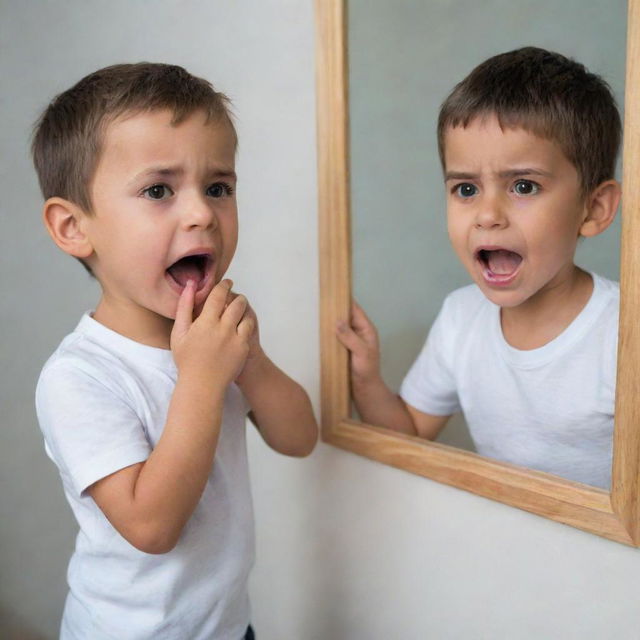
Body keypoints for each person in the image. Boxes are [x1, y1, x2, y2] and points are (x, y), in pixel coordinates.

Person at [33, 63, 318, 640]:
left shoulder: (214, 339)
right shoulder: (79, 376)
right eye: (158, 190)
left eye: (218, 187)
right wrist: (203, 380)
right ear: (73, 228)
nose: (202, 214)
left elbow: (300, 437)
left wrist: (250, 361)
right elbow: (151, 526)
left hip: (226, 625)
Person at [337, 47, 621, 489]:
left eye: (524, 186)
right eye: (466, 188)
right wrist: (367, 379)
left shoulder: (622, 333)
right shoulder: (460, 318)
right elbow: (409, 434)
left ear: (594, 208)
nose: (487, 214)